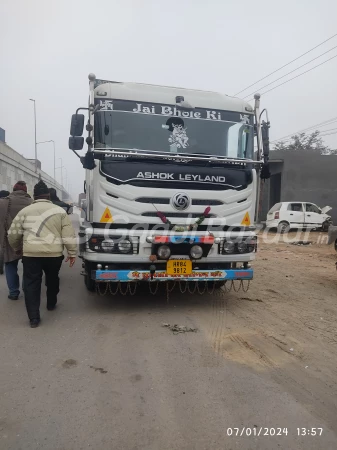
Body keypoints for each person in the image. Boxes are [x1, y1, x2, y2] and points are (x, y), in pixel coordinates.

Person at [8, 180, 77, 328]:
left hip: (31, 255)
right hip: (54, 255)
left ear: (34, 196)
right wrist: (72, 253)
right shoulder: (59, 212)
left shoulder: (25, 212)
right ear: (48, 196)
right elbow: (68, 235)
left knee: (31, 284)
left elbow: (13, 234)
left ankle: (34, 318)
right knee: (52, 279)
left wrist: (16, 248)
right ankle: (51, 303)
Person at [0, 182, 32, 298]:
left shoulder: (3, 202)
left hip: (9, 239)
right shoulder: (32, 203)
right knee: (28, 266)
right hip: (28, 239)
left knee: (10, 265)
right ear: (25, 191)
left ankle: (13, 292)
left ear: (13, 190)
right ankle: (27, 289)